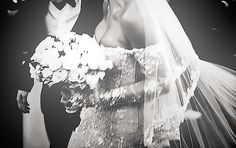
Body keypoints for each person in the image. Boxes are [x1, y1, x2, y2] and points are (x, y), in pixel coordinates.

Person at [67, 0, 236, 148]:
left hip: (124, 128)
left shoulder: (133, 16)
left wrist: (100, 99)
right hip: (96, 120)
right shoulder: (107, 4)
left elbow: (162, 82)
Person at [15, 0, 103, 147]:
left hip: (85, 92)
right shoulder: (35, 6)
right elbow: (31, 46)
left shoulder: (95, 5)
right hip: (51, 93)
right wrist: (24, 86)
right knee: (57, 141)